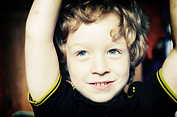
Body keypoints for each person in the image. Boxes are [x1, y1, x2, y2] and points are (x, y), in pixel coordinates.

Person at [25, 0, 177, 116]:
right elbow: (37, 36)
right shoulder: (56, 105)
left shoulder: (149, 106)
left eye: (113, 51)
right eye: (82, 53)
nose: (100, 69)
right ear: (65, 58)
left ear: (131, 54)